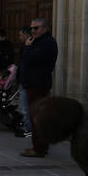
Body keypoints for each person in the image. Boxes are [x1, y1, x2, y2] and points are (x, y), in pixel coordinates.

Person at [19, 17, 58, 157]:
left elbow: (31, 60)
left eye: (36, 28)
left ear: (45, 28)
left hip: (38, 85)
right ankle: (38, 146)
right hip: (32, 84)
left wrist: (27, 48)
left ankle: (39, 149)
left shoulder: (47, 43)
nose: (32, 31)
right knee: (34, 116)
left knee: (37, 117)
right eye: (31, 28)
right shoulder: (38, 41)